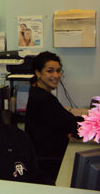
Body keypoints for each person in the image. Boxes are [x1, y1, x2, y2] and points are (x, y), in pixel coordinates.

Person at [25, 51, 83, 182]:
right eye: (50, 71)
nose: (56, 75)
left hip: (42, 154)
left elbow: (60, 119)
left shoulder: (37, 92)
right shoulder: (43, 99)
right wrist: (94, 122)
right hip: (47, 161)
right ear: (38, 73)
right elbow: (71, 124)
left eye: (58, 71)